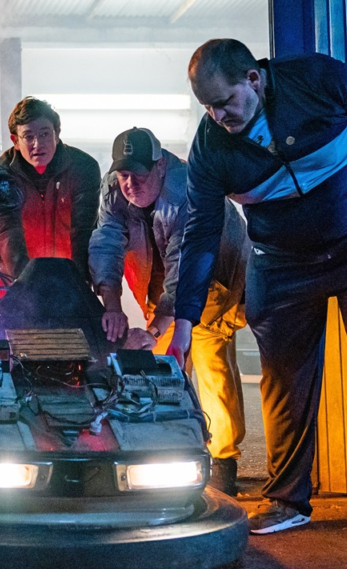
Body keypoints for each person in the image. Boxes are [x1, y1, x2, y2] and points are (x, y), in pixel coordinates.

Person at [170, 38, 347, 539]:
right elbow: (201, 231)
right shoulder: (210, 146)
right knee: (284, 382)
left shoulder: (318, 80)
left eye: (225, 102)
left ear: (254, 79)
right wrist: (184, 318)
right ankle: (286, 500)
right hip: (282, 263)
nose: (218, 115)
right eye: (207, 107)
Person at [89, 127, 249, 496]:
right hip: (156, 282)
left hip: (210, 279)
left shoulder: (187, 192)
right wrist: (111, 304)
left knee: (210, 360)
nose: (129, 184)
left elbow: (187, 264)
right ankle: (170, 448)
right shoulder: (114, 186)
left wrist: (162, 325)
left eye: (138, 176)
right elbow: (106, 242)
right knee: (161, 365)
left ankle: (223, 458)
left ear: (160, 166)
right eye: (123, 175)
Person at [0, 97, 101, 279]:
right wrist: (28, 287)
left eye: (45, 134)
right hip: (17, 278)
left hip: (67, 272)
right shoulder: (1, 174)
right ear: (15, 141)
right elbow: (9, 234)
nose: (38, 144)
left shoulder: (83, 168)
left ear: (57, 133)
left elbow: (82, 233)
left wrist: (77, 284)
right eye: (28, 136)